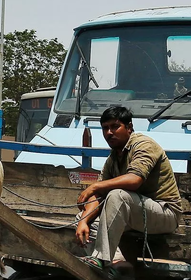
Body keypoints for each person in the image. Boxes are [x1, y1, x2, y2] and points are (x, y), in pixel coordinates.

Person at [75, 105, 182, 270]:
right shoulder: (113, 158)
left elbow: (134, 180)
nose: (109, 132)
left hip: (164, 213)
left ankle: (101, 259)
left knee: (117, 195)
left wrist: (95, 186)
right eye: (105, 128)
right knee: (82, 219)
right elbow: (99, 195)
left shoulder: (144, 145)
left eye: (115, 126)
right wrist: (84, 220)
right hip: (136, 213)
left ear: (129, 127)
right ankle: (118, 264)